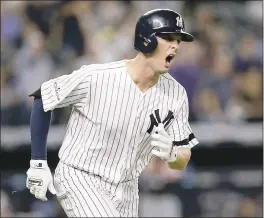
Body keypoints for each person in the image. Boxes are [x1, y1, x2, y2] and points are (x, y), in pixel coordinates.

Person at [26, 9, 199, 217]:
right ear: (147, 39)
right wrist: (38, 162)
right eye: (169, 38)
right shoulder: (98, 77)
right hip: (81, 177)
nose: (175, 46)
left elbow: (184, 153)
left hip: (126, 188)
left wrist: (172, 153)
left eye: (178, 40)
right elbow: (43, 97)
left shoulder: (176, 94)